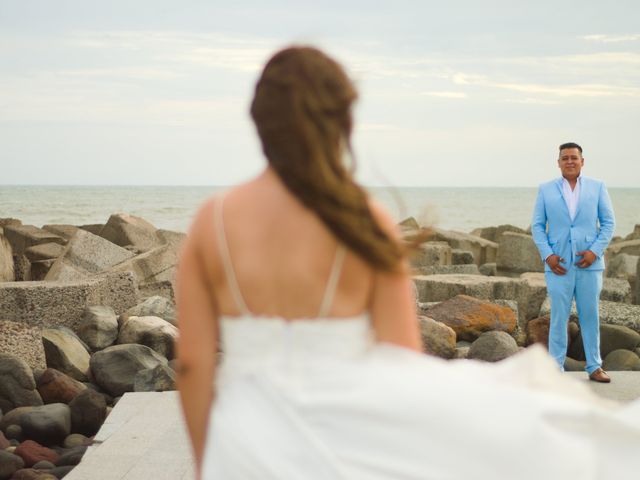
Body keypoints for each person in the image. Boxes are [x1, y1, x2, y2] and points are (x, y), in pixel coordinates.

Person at [176, 46, 640, 480]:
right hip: (348, 437)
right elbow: (400, 359)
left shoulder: (211, 222)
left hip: (244, 442)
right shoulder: (366, 221)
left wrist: (208, 463)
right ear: (342, 119)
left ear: (257, 120)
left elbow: (193, 366)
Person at [531, 143, 615, 382]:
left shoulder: (598, 187)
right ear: (558, 162)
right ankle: (555, 369)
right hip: (559, 265)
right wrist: (548, 255)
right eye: (565, 158)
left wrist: (594, 252)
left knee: (590, 315)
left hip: (590, 264)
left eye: (574, 158)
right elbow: (537, 226)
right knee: (559, 316)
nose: (570, 161)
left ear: (582, 161)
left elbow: (608, 223)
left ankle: (594, 367)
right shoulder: (545, 190)